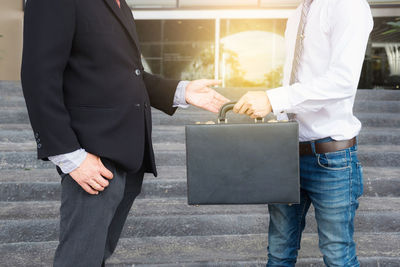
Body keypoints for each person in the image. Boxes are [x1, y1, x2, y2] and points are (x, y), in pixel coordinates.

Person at [21, 0, 229, 266]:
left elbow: (128, 73)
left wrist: (181, 91)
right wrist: (69, 156)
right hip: (91, 158)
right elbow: (38, 77)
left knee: (96, 256)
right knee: (79, 259)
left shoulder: (121, 5)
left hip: (128, 157)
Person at [233, 0, 373, 266]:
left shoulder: (348, 5)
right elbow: (299, 76)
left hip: (331, 157)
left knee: (338, 256)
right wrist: (275, 111)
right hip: (287, 152)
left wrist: (274, 99)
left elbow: (342, 81)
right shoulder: (297, 13)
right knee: (278, 253)